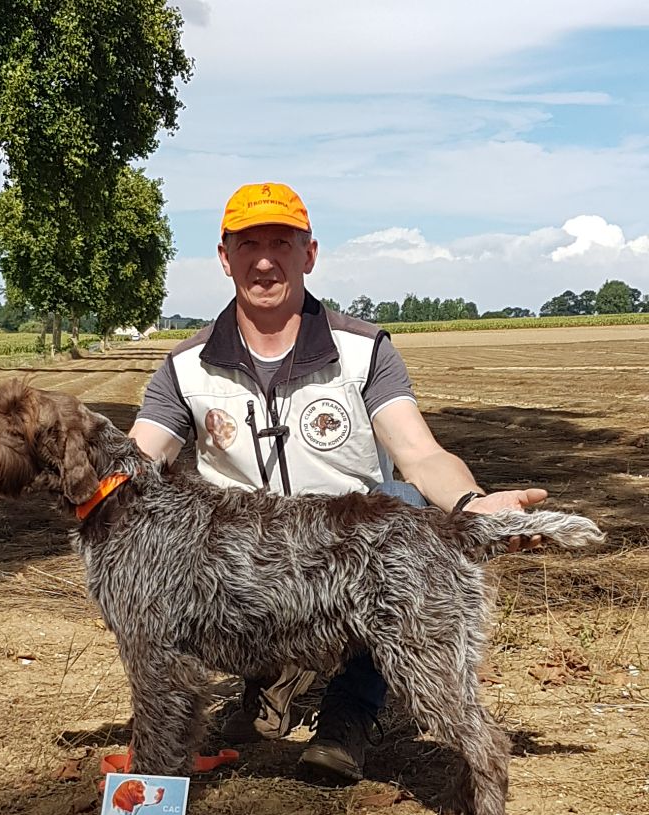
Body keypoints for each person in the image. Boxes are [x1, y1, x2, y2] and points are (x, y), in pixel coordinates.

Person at [129, 182, 547, 782]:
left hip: (346, 553)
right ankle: (270, 677)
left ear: (310, 253)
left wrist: (473, 504)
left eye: (281, 242)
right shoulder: (185, 366)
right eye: (249, 244)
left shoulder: (363, 349)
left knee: (402, 509)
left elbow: (420, 454)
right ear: (225, 258)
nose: (265, 259)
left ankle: (348, 714)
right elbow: (136, 464)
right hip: (249, 568)